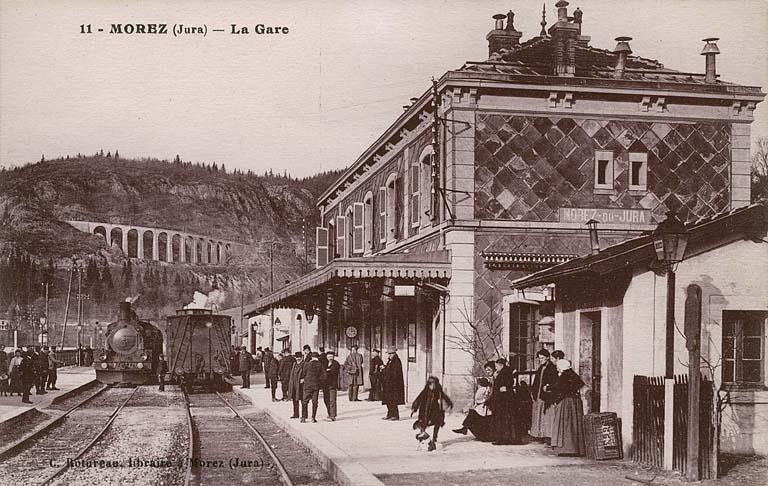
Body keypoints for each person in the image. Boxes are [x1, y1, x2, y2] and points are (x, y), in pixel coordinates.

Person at [545, 359, 586, 456]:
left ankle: (567, 449)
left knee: (565, 424)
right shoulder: (572, 374)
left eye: (558, 366)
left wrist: (548, 387)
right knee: (573, 425)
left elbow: (560, 387)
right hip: (574, 402)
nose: (557, 368)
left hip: (567, 403)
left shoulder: (565, 375)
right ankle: (574, 448)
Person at [453, 363, 496, 442]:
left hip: (490, 404)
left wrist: (485, 400)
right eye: (486, 370)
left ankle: (467, 429)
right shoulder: (491, 378)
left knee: (475, 415)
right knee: (474, 415)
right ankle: (466, 429)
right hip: (486, 403)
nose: (487, 371)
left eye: (489, 370)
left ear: (493, 369)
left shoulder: (494, 378)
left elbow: (491, 392)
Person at [411, 376, 453, 452]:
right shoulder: (425, 391)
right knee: (423, 424)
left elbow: (445, 397)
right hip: (425, 412)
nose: (432, 386)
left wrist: (449, 404)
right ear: (428, 385)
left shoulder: (438, 391)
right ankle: (422, 441)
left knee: (437, 423)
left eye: (434, 384)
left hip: (435, 412)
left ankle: (434, 439)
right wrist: (414, 408)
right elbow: (418, 399)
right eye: (431, 384)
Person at [489, 357, 518, 445]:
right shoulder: (501, 372)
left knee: (503, 419)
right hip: (502, 399)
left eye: (496, 366)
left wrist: (506, 388)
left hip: (504, 400)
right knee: (502, 419)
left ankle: (503, 439)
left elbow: (509, 383)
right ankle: (503, 438)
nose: (496, 367)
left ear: (501, 365)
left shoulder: (505, 372)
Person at [530, 349, 557, 442]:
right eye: (539, 358)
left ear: (547, 358)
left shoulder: (552, 368)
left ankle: (546, 435)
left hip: (546, 396)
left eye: (542, 358)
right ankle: (539, 434)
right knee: (538, 415)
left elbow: (552, 381)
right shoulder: (541, 367)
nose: (540, 360)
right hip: (538, 395)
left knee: (546, 416)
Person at [380, 347, 405, 420]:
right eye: (388, 354)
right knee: (388, 400)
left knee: (393, 400)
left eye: (390, 354)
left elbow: (395, 373)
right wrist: (384, 368)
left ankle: (395, 415)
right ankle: (390, 414)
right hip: (388, 384)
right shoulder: (390, 361)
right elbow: (389, 370)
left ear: (394, 353)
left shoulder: (396, 361)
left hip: (394, 384)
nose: (389, 355)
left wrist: (385, 370)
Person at [301, 352, 325, 423]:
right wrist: (319, 382)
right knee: (314, 402)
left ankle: (303, 418)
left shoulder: (306, 364)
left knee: (305, 401)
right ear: (318, 357)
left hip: (307, 385)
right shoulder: (320, 365)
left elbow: (303, 374)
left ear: (311, 357)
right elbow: (324, 376)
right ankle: (313, 418)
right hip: (315, 386)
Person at [323, 350, 341, 421]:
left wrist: (327, 371)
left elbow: (333, 371)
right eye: (329, 356)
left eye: (331, 356)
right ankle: (329, 413)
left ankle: (333, 416)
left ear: (334, 357)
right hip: (325, 385)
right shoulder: (324, 363)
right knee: (326, 399)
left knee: (332, 400)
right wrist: (327, 370)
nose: (330, 358)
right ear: (326, 357)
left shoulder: (336, 364)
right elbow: (322, 371)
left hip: (332, 384)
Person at [288, 351, 305, 419]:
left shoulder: (304, 364)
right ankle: (296, 414)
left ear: (302, 357)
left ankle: (304, 415)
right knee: (295, 400)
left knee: (303, 401)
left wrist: (304, 379)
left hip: (301, 386)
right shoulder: (294, 364)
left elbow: (307, 374)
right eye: (297, 357)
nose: (298, 359)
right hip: (294, 385)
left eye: (299, 357)